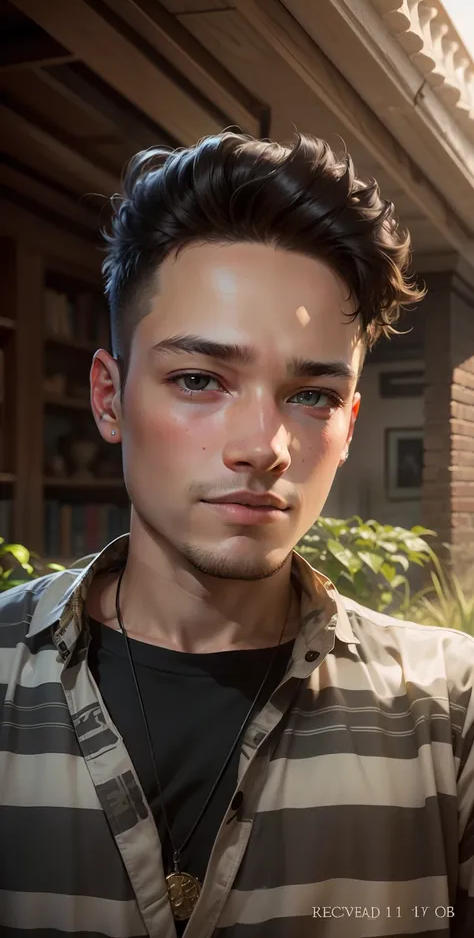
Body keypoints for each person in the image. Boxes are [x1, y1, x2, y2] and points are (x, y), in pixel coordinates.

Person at [0, 132, 473, 938]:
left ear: (350, 422)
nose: (265, 445)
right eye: (198, 379)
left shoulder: (448, 709)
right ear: (109, 399)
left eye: (313, 395)